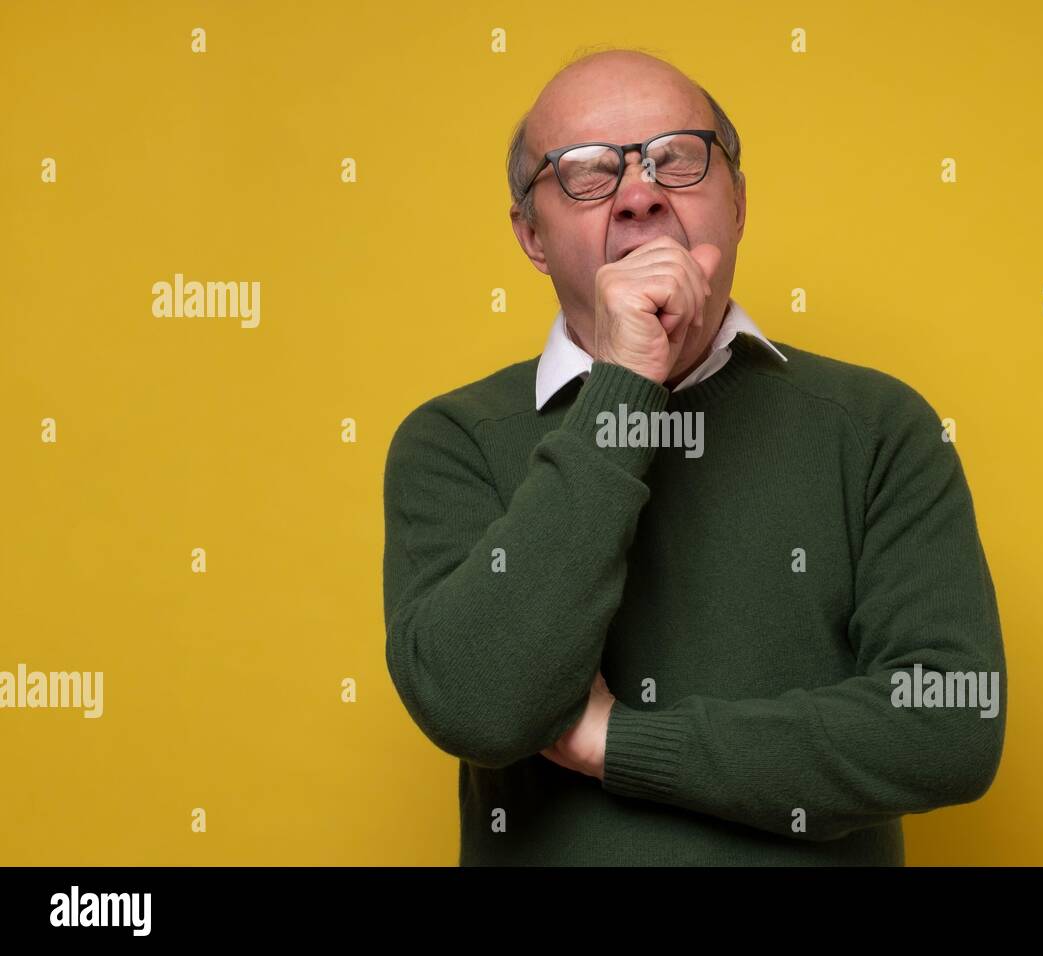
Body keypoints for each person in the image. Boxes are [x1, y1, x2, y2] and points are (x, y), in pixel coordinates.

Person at [382, 47, 1006, 865]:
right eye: (586, 173)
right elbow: (479, 708)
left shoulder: (876, 427)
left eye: (676, 158)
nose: (640, 195)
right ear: (531, 236)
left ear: (738, 202)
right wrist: (625, 385)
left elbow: (951, 729)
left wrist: (622, 744)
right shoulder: (453, 441)